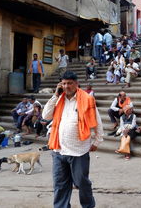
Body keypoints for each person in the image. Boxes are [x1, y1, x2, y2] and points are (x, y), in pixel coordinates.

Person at [42, 71, 103, 208]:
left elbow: (97, 122)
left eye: (69, 83)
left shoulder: (87, 99)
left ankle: (88, 206)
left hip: (78, 151)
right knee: (60, 185)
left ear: (76, 84)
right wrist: (55, 95)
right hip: (59, 150)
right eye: (64, 83)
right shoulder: (58, 99)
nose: (66, 86)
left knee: (82, 183)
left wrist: (97, 141)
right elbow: (45, 116)